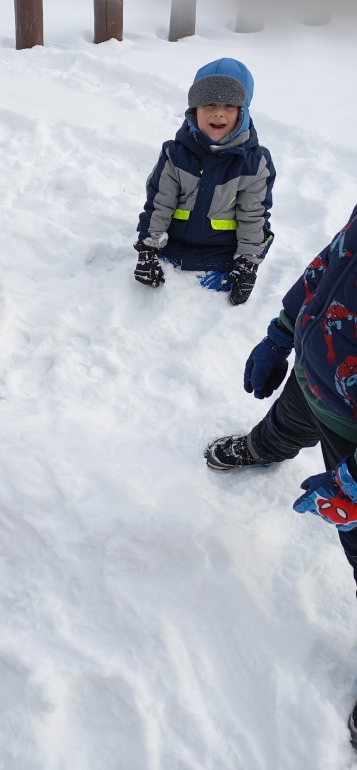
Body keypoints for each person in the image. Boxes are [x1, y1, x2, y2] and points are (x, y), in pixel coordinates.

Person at [204, 208, 357, 750]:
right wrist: (285, 330)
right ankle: (261, 449)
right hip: (315, 376)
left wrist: (352, 485)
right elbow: (332, 262)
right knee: (284, 425)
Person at [134, 58, 275, 305]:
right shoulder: (175, 155)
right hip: (170, 254)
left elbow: (253, 217)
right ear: (194, 110)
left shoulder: (253, 164)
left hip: (221, 262)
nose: (218, 113)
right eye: (209, 103)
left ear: (242, 112)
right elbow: (159, 204)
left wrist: (247, 265)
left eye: (229, 105)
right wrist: (148, 248)